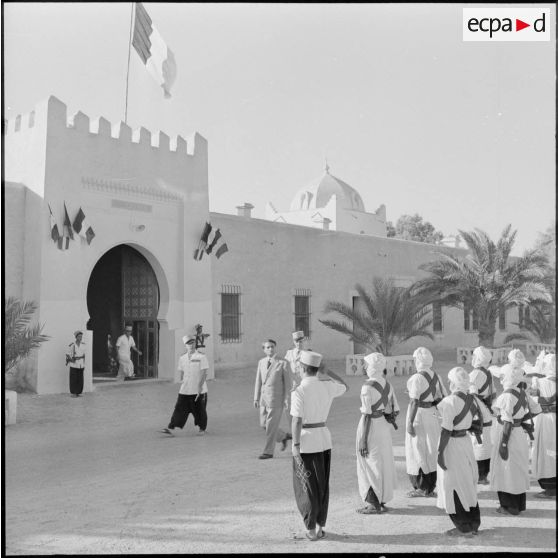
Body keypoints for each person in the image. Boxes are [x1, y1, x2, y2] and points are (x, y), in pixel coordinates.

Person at [291, 351, 348, 541]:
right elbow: (345, 386)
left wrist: (295, 444)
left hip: (306, 442)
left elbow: (297, 421)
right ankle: (320, 525)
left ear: (302, 368)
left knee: (306, 485)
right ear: (317, 369)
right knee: (322, 484)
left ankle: (311, 529)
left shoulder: (299, 391)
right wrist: (328, 371)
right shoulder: (326, 386)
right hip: (323, 438)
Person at [489, 349, 538, 515]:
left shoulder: (506, 396)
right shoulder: (522, 393)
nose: (501, 379)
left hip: (508, 436)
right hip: (519, 435)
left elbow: (507, 422)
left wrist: (503, 443)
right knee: (517, 469)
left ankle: (508, 506)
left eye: (503, 376)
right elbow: (536, 409)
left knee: (506, 469)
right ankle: (518, 505)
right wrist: (522, 423)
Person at [436, 367, 482, 537]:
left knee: (453, 483)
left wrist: (440, 453)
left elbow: (446, 430)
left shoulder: (449, 402)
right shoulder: (472, 400)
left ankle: (463, 526)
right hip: (465, 443)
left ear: (454, 382)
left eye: (450, 381)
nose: (448, 383)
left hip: (453, 445)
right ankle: (473, 523)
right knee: (467, 482)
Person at [356, 352, 399, 514]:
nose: (364, 367)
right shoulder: (387, 384)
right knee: (382, 462)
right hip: (383, 426)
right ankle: (381, 499)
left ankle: (373, 503)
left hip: (371, 427)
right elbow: (393, 409)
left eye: (366, 364)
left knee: (369, 462)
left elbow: (367, 414)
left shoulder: (367, 387)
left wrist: (363, 440)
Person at [405, 347, 448, 497]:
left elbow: (414, 402)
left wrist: (410, 423)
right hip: (433, 414)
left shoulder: (416, 378)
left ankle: (421, 487)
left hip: (419, 416)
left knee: (418, 449)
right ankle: (430, 486)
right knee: (431, 449)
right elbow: (443, 396)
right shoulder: (436, 376)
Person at [159, 335, 209, 436]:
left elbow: (204, 373)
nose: (191, 345)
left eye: (193, 343)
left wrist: (199, 386)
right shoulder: (182, 358)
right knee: (179, 408)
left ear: (195, 344)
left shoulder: (201, 356)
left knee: (199, 410)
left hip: (199, 390)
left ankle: (202, 428)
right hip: (185, 389)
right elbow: (181, 372)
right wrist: (182, 381)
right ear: (185, 345)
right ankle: (171, 428)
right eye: (189, 343)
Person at [254, 339, 292, 459]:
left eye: (272, 347)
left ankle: (268, 452)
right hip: (264, 399)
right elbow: (258, 381)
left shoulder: (283, 362)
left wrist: (286, 398)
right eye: (268, 347)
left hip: (276, 399)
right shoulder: (261, 362)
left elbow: (288, 383)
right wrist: (256, 397)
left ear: (275, 348)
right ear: (264, 349)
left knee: (271, 426)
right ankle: (283, 436)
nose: (270, 349)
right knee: (263, 424)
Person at [468, 346, 496, 484]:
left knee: (477, 442)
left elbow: (470, 393)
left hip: (477, 410)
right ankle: (483, 475)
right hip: (485, 409)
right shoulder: (488, 373)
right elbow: (493, 393)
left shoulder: (476, 373)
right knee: (484, 444)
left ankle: (480, 475)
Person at [530, 353, 556, 499]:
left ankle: (550, 489)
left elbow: (531, 396)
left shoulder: (541, 382)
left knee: (547, 453)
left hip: (546, 420)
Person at [66, 330, 86, 397]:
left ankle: (78, 392)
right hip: (74, 364)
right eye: (79, 336)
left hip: (81, 364)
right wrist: (72, 360)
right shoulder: (72, 345)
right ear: (76, 337)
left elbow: (84, 355)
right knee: (73, 379)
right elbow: (68, 354)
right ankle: (74, 393)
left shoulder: (83, 345)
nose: (80, 338)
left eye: (81, 336)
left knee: (80, 379)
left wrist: (84, 364)